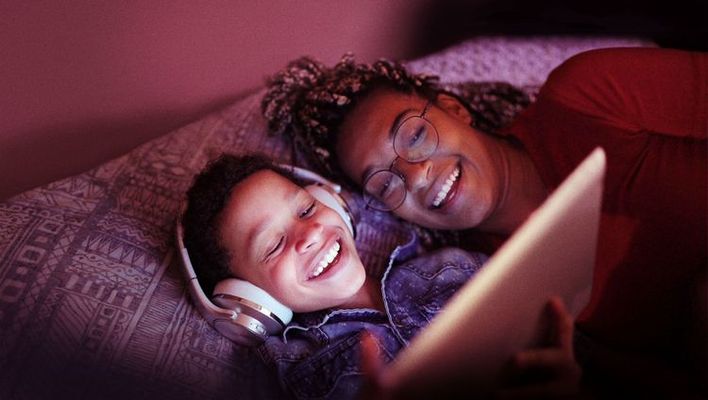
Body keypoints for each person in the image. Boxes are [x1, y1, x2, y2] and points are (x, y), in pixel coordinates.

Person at [261, 47, 707, 397]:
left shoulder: (584, 99)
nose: (415, 176)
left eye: (415, 135)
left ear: (454, 109)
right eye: (386, 183)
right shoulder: (490, 284)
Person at [181, 153, 582, 400]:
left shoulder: (452, 265)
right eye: (272, 245)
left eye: (306, 210)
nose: (310, 234)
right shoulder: (298, 371)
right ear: (250, 300)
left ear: (332, 204)